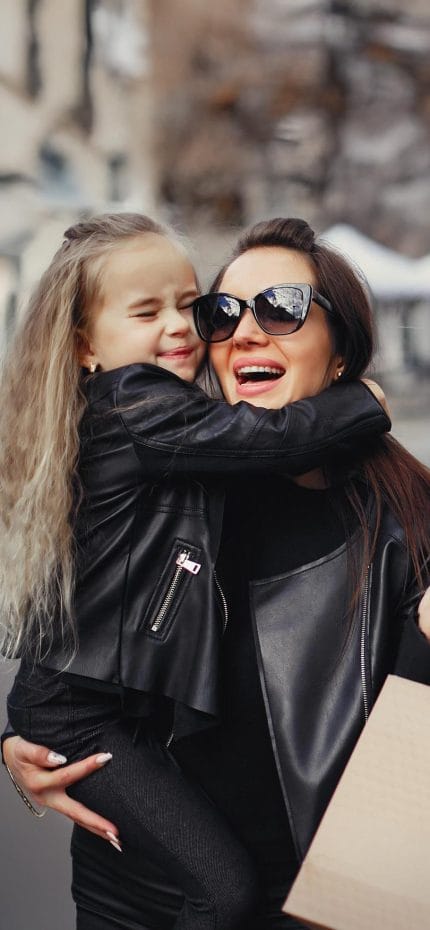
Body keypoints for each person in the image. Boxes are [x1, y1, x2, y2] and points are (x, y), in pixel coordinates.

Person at [0, 213, 390, 930]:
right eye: (224, 311)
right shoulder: (175, 456)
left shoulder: (395, 526)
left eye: (282, 309)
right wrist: (18, 758)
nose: (225, 330)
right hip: (127, 899)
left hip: (291, 904)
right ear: (87, 345)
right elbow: (67, 646)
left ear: (341, 348)